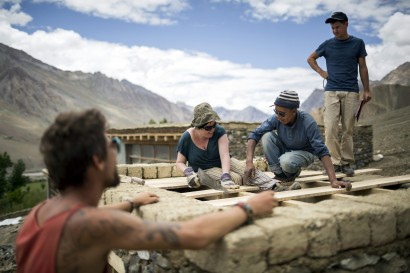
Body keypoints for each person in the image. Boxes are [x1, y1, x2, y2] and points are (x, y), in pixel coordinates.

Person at [15, 109, 277, 273]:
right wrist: (249, 207)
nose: (116, 151)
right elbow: (193, 234)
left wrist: (130, 202)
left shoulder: (41, 213)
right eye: (113, 145)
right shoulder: (96, 225)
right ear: (97, 161)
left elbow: (84, 216)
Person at [244, 90, 352, 191]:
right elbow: (254, 135)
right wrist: (249, 162)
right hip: (286, 152)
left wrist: (333, 180)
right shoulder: (276, 118)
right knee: (267, 136)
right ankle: (280, 175)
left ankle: (291, 174)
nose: (278, 116)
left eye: (282, 113)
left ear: (294, 111)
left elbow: (322, 150)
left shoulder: (307, 122)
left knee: (286, 161)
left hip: (304, 154)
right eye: (275, 112)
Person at [307, 11, 372, 177]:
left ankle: (347, 163)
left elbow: (362, 67)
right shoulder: (328, 44)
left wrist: (366, 89)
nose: (335, 30)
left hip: (351, 91)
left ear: (346, 24)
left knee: (348, 130)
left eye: (337, 27)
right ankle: (334, 164)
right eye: (332, 28)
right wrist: (322, 72)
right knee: (330, 129)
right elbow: (310, 59)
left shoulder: (357, 43)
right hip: (331, 91)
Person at [176, 102, 281, 191]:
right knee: (236, 179)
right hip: (204, 169)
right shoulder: (186, 137)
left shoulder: (219, 130)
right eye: (208, 127)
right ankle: (253, 185)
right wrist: (188, 172)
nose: (212, 129)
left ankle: (274, 186)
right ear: (197, 127)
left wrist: (225, 175)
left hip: (223, 161)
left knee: (246, 170)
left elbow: (224, 155)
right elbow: (179, 162)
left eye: (214, 125)